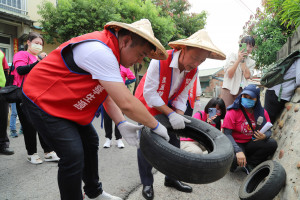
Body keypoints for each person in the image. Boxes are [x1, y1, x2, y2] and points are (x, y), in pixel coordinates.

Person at [21, 19, 170, 200]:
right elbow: (126, 102)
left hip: (69, 103)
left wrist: (121, 123)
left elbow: (107, 94)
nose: (139, 61)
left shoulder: (113, 55)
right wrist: (157, 126)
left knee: (90, 142)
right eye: (141, 54)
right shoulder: (99, 50)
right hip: (42, 100)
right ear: (125, 41)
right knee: (72, 155)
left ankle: (94, 192)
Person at [135, 29, 226, 200]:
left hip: (167, 105)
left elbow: (183, 95)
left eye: (202, 60)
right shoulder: (159, 61)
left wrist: (178, 114)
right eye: (195, 57)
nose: (197, 63)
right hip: (148, 104)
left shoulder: (194, 70)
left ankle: (171, 179)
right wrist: (170, 114)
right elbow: (150, 94)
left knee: (175, 141)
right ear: (183, 49)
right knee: (146, 144)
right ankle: (147, 182)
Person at [12, 32, 59, 164]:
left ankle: (48, 152)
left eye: (41, 44)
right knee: (29, 125)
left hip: (38, 95)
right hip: (24, 95)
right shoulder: (21, 55)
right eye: (36, 43)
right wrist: (38, 62)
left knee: (43, 124)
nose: (39, 46)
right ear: (28, 42)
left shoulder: (39, 58)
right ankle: (31, 153)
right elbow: (20, 70)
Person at [222, 84, 277, 174]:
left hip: (252, 142)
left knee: (272, 144)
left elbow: (269, 131)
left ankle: (250, 163)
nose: (247, 99)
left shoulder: (262, 113)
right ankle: (240, 158)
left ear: (256, 99)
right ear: (241, 95)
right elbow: (227, 134)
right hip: (236, 143)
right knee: (233, 160)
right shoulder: (232, 111)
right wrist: (238, 151)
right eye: (245, 96)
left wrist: (264, 136)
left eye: (251, 98)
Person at [103, 65, 136, 148]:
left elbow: (133, 78)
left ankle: (119, 139)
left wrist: (124, 83)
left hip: (120, 96)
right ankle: (108, 138)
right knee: (107, 118)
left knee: (120, 118)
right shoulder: (107, 65)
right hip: (107, 95)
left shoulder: (124, 67)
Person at [221, 36, 256, 108]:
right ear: (240, 45)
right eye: (246, 45)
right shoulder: (232, 55)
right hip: (228, 88)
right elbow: (229, 74)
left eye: (250, 46)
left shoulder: (252, 62)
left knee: (238, 113)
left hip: (241, 90)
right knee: (227, 113)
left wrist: (243, 61)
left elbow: (247, 76)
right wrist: (238, 60)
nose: (248, 48)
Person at [264, 58, 300, 124]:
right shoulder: (299, 60)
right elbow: (299, 80)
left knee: (268, 123)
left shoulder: (296, 59)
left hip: (276, 94)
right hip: (275, 95)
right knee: (266, 124)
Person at [0, 49, 14, 155]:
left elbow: (6, 70)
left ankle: (2, 145)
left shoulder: (1, 52)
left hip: (1, 90)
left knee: (2, 119)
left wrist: (7, 88)